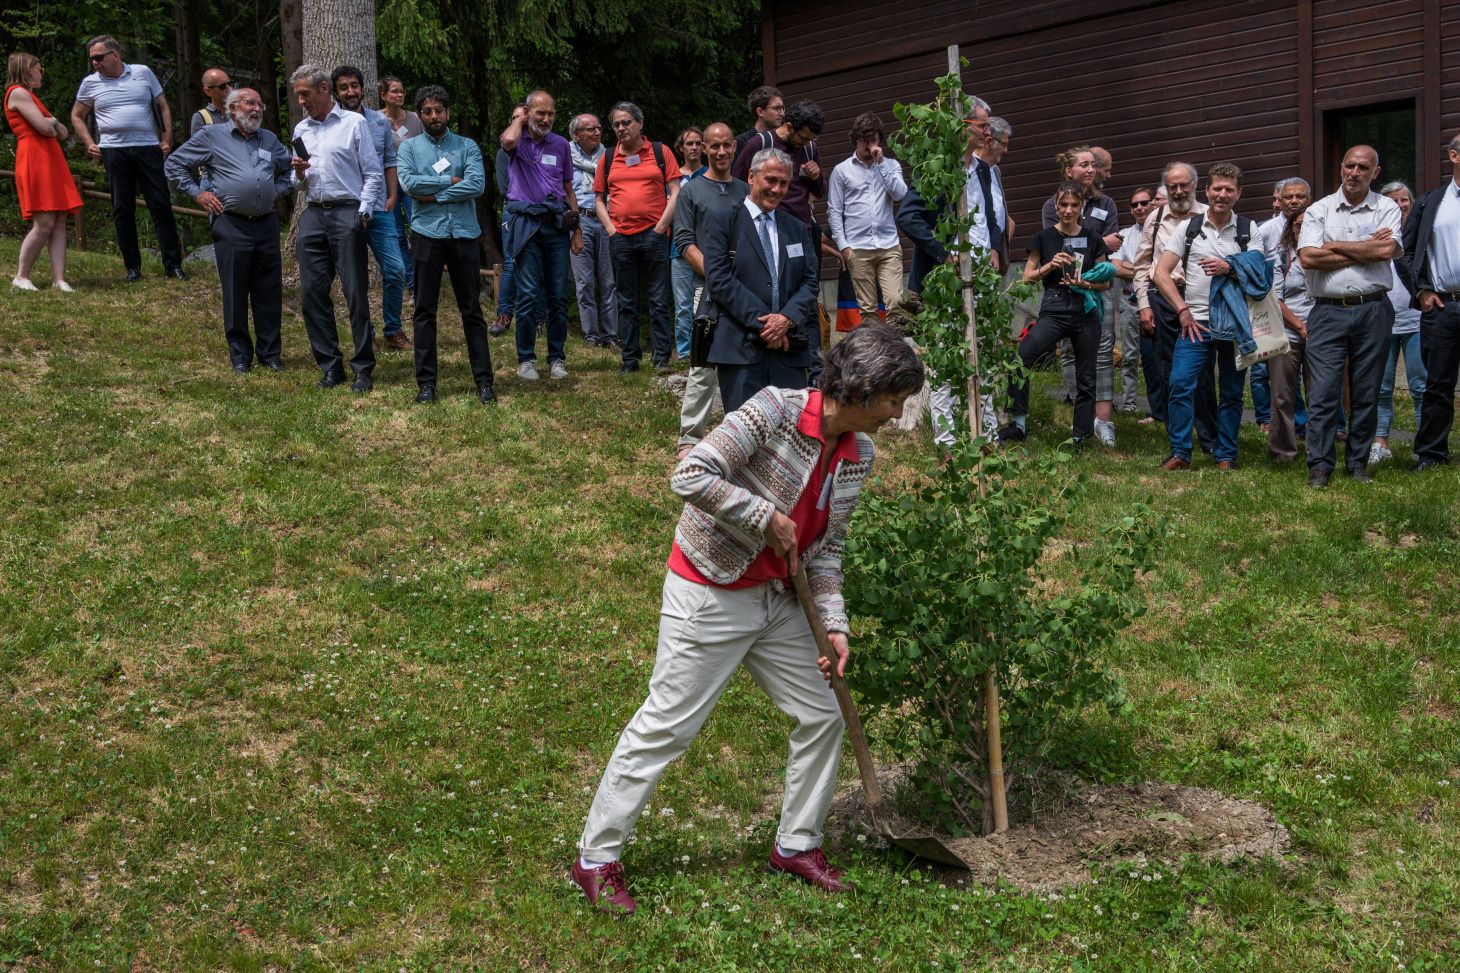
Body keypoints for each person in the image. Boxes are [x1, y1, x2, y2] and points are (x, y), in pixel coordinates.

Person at [573, 324, 925, 915]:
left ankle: (796, 844)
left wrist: (834, 623)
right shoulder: (773, 411)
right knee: (667, 725)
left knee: (823, 711)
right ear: (864, 391)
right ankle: (595, 858)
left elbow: (827, 551)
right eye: (895, 401)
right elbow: (688, 474)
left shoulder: (859, 454)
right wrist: (764, 516)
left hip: (782, 600)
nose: (898, 414)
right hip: (712, 588)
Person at [1297, 144, 1404, 487]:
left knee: (1366, 390)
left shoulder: (1386, 207)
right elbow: (1308, 259)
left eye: (1363, 167)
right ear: (1341, 168)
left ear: (1376, 172)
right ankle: (1320, 465)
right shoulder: (1319, 210)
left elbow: (1387, 250)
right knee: (1324, 392)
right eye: (1349, 166)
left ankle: (1357, 463)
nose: (1354, 172)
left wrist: (1333, 246)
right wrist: (1364, 251)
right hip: (1327, 312)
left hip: (1374, 309)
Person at [164, 87, 291, 374]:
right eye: (250, 103)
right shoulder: (212, 136)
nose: (257, 109)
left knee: (269, 291)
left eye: (260, 104)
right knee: (235, 291)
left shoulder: (268, 139)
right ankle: (240, 358)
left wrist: (279, 190)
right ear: (233, 108)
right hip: (231, 222)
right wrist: (198, 194)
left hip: (267, 223)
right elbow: (173, 164)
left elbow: (291, 169)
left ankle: (270, 355)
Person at [1152, 162, 1262, 472]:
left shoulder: (1247, 230)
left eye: (1229, 189)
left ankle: (1226, 455)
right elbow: (1160, 273)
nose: (1222, 194)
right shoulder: (1190, 228)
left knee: (1230, 392)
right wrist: (1182, 310)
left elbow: (1259, 277)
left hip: (1234, 325)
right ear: (1208, 191)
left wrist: (1230, 267)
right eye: (1217, 188)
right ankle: (1181, 454)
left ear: (1238, 193)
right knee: (1179, 385)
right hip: (1195, 323)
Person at [397, 85, 495, 406]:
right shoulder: (409, 148)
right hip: (426, 235)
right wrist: (452, 181)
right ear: (420, 115)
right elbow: (410, 184)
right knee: (425, 311)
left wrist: (434, 192)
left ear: (448, 112)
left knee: (472, 311)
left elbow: (477, 184)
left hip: (464, 236)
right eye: (427, 111)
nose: (434, 116)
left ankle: (484, 382)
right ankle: (426, 384)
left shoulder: (467, 145)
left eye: (439, 109)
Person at [702, 147, 821, 412]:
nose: (777, 189)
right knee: (743, 436)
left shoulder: (798, 228)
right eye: (771, 180)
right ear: (751, 176)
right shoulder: (724, 221)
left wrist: (786, 319)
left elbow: (810, 282)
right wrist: (768, 325)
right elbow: (720, 280)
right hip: (741, 348)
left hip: (789, 352)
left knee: (789, 437)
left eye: (784, 183)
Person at [288, 63, 382, 392]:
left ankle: (363, 368)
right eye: (298, 94)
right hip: (313, 214)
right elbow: (298, 185)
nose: (300, 100)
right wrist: (298, 173)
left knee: (355, 293)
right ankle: (330, 367)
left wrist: (364, 212)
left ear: (324, 90)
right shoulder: (301, 130)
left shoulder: (354, 123)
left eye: (305, 94)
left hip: (347, 213)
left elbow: (372, 173)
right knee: (312, 293)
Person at [1001, 181, 1112, 448]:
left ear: (1081, 206)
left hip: (1085, 308)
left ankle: (1080, 435)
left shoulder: (1094, 239)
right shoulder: (1044, 237)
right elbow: (1026, 277)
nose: (1069, 210)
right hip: (1054, 308)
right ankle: (1018, 424)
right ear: (1056, 205)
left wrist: (1083, 283)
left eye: (1074, 205)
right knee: (1021, 359)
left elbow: (1106, 281)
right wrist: (1050, 264)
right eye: (1064, 204)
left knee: (1086, 375)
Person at [70, 35, 185, 282]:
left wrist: (166, 139)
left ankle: (173, 266)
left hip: (147, 147)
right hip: (113, 150)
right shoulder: (90, 83)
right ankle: (132, 268)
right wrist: (90, 143)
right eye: (92, 59)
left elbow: (163, 106)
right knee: (123, 208)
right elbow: (77, 116)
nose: (95, 63)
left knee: (161, 205)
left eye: (99, 58)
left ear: (115, 55)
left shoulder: (142, 72)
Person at [672, 122, 749, 459]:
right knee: (703, 366)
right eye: (713, 146)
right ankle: (690, 437)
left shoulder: (747, 190)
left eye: (726, 146)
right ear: (703, 148)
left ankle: (746, 431)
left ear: (734, 147)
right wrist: (719, 279)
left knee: (747, 362)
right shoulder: (691, 191)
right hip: (708, 291)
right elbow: (684, 242)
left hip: (747, 293)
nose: (720, 152)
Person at [501, 90, 584, 381]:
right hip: (525, 223)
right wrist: (521, 120)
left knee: (558, 295)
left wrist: (577, 231)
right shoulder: (517, 139)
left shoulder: (560, 144)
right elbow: (508, 140)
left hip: (556, 226)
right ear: (527, 112)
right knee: (526, 294)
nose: (546, 119)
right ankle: (526, 359)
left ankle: (556, 358)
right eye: (540, 113)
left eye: (551, 114)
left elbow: (569, 189)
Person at [594, 101, 682, 376]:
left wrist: (660, 227)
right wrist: (610, 229)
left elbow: (676, 192)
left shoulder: (660, 151)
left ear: (640, 123)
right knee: (626, 301)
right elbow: (599, 199)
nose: (621, 128)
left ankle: (661, 359)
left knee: (657, 299)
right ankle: (630, 360)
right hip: (620, 238)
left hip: (654, 236)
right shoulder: (608, 157)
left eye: (626, 122)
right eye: (616, 124)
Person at [1134, 162, 1217, 451]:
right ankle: (1178, 440)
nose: (1179, 191)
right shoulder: (1155, 218)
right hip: (1163, 300)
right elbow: (1143, 265)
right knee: (1166, 371)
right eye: (1173, 187)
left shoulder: (1209, 214)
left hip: (1199, 300)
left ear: (1196, 185)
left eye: (1184, 185)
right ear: (1166, 189)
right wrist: (1144, 305)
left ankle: (1209, 439)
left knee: (1203, 373)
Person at [333, 65, 410, 352]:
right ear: (336, 91)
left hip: (380, 209)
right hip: (347, 210)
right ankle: (369, 333)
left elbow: (389, 159)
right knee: (356, 277)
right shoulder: (332, 123)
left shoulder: (378, 122)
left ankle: (393, 329)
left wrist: (392, 196)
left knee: (396, 270)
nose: (350, 91)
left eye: (354, 85)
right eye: (344, 87)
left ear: (362, 88)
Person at [1402, 134, 1460, 473]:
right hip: (1442, 307)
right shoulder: (1429, 202)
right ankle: (1431, 454)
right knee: (1438, 385)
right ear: (1454, 156)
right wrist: (1420, 289)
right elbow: (1404, 252)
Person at [6, 53, 82, 292]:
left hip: (49, 157)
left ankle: (59, 279)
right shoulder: (18, 92)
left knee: (59, 219)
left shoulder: (29, 95)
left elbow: (62, 133)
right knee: (45, 221)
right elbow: (46, 129)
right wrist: (51, 122)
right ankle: (21, 276)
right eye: (40, 69)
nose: (41, 73)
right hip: (34, 157)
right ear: (29, 70)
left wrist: (51, 122)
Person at [827, 112, 906, 322]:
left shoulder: (891, 165)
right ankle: (875, 354)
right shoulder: (841, 170)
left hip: (889, 245)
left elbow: (900, 194)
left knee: (896, 303)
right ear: (855, 139)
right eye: (865, 141)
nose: (870, 146)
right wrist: (844, 247)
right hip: (858, 248)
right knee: (868, 311)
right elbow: (834, 211)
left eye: (874, 140)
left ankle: (897, 354)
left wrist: (882, 164)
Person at [1370, 181, 1426, 462]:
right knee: (1381, 385)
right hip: (1382, 320)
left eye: (1404, 200)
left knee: (1420, 385)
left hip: (1417, 320)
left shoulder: (1421, 234)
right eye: (1393, 201)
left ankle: (1424, 445)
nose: (1400, 205)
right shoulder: (1375, 234)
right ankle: (1381, 443)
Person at [731, 99, 827, 241]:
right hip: (766, 233)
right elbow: (737, 188)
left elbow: (822, 192)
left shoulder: (810, 148)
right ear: (789, 127)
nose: (807, 144)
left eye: (812, 139)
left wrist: (816, 177)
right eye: (804, 138)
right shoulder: (759, 144)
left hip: (802, 232)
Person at [1267, 205, 1315, 463]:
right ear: (1291, 227)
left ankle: (1317, 452)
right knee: (1283, 395)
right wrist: (1300, 326)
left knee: (1319, 395)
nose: (1303, 228)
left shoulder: (1324, 255)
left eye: (1309, 224)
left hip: (1322, 333)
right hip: (1287, 334)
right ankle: (1283, 454)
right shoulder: (1281, 257)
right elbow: (1274, 298)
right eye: (1298, 224)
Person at [569, 112, 615, 347]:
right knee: (585, 283)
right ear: (576, 134)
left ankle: (610, 337)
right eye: (590, 129)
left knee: (608, 283)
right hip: (580, 222)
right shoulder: (565, 155)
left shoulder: (610, 155)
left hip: (606, 220)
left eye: (598, 128)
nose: (597, 132)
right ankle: (591, 337)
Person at [1111, 187, 1158, 416]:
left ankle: (1159, 408)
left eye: (1144, 202)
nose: (1139, 207)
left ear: (1153, 204)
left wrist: (1133, 268)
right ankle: (1129, 405)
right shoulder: (1124, 235)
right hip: (1130, 302)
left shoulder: (1163, 231)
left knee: (1157, 357)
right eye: (1134, 205)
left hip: (1158, 302)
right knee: (1130, 357)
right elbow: (1115, 268)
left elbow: (1165, 271)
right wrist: (1146, 270)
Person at [380, 76, 423, 298]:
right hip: (388, 184)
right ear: (383, 96)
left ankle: (422, 279)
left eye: (402, 91)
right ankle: (411, 282)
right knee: (397, 234)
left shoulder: (416, 119)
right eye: (395, 91)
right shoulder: (376, 119)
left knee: (417, 229)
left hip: (413, 182)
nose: (400, 95)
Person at [671, 126, 708, 360]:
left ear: (703, 147)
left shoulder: (710, 174)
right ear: (681, 148)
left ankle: (706, 347)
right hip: (679, 250)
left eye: (698, 143)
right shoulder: (673, 178)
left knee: (707, 301)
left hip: (707, 249)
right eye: (689, 143)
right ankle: (685, 351)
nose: (693, 147)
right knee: (683, 305)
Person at [734, 85, 784, 158]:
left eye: (782, 108)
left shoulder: (784, 141)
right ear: (760, 112)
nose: (782, 113)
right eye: (777, 108)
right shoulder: (740, 143)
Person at [190, 68, 231, 138]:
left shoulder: (239, 113)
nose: (229, 89)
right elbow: (198, 147)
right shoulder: (201, 117)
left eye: (230, 84)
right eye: (222, 86)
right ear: (208, 91)